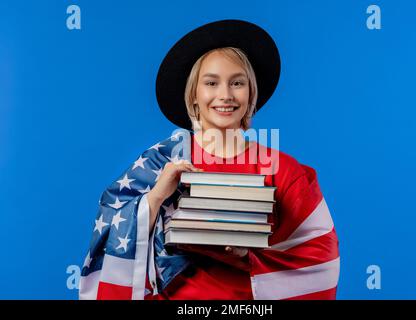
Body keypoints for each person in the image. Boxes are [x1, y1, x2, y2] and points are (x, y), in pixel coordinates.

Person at [79, 19, 340, 300]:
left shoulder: (286, 172)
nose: (225, 95)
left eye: (237, 83)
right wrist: (155, 198)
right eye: (211, 83)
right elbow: (110, 233)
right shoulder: (159, 164)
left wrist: (250, 256)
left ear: (251, 93)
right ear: (194, 96)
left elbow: (318, 258)